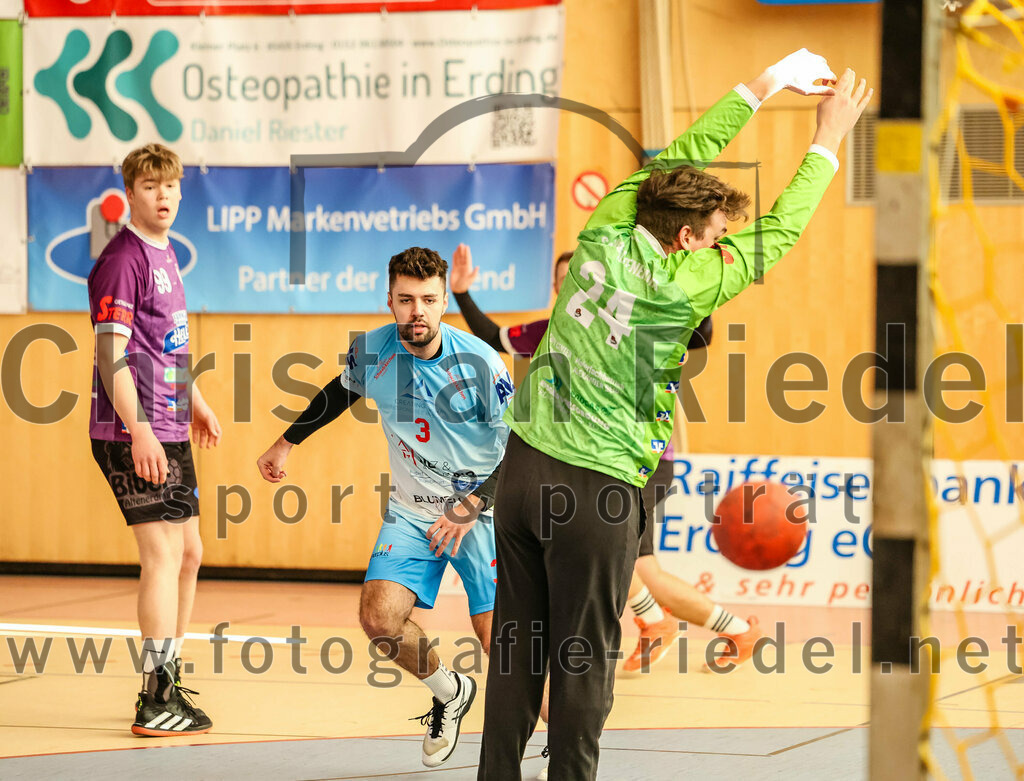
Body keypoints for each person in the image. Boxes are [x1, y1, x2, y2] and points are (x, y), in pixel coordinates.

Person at [477, 51, 871, 779]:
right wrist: (828, 139)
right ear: (688, 238)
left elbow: (679, 157)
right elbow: (781, 232)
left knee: (516, 655)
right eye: (716, 231)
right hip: (594, 489)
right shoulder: (687, 283)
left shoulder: (604, 223)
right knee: (585, 662)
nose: (721, 240)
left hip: (524, 470)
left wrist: (764, 82)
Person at [449, 245, 760, 677]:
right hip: (599, 464)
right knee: (642, 569)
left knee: (600, 539)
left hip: (643, 460)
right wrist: (462, 294)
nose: (567, 286)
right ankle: (739, 631)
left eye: (574, 277)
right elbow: (492, 336)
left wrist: (706, 271)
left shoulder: (629, 323)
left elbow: (699, 334)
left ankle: (654, 622)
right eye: (560, 281)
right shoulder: (553, 331)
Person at [256, 247, 513, 769]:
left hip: (480, 513)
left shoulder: (482, 363)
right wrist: (286, 442)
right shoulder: (372, 351)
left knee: (498, 642)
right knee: (379, 619)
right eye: (405, 299)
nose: (416, 310)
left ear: (443, 302)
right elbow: (341, 391)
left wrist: (472, 504)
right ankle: (450, 691)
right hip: (413, 513)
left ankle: (562, 733)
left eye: (428, 300)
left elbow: (523, 452)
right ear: (389, 300)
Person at [88, 143, 222, 736]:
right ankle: (154, 697)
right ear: (131, 193)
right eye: (149, 187)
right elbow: (110, 353)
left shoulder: (167, 256)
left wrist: (194, 402)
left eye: (169, 186)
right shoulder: (122, 260)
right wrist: (140, 429)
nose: (162, 196)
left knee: (191, 554)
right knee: (162, 556)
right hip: (130, 430)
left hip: (169, 427)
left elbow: (170, 345)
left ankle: (168, 679)